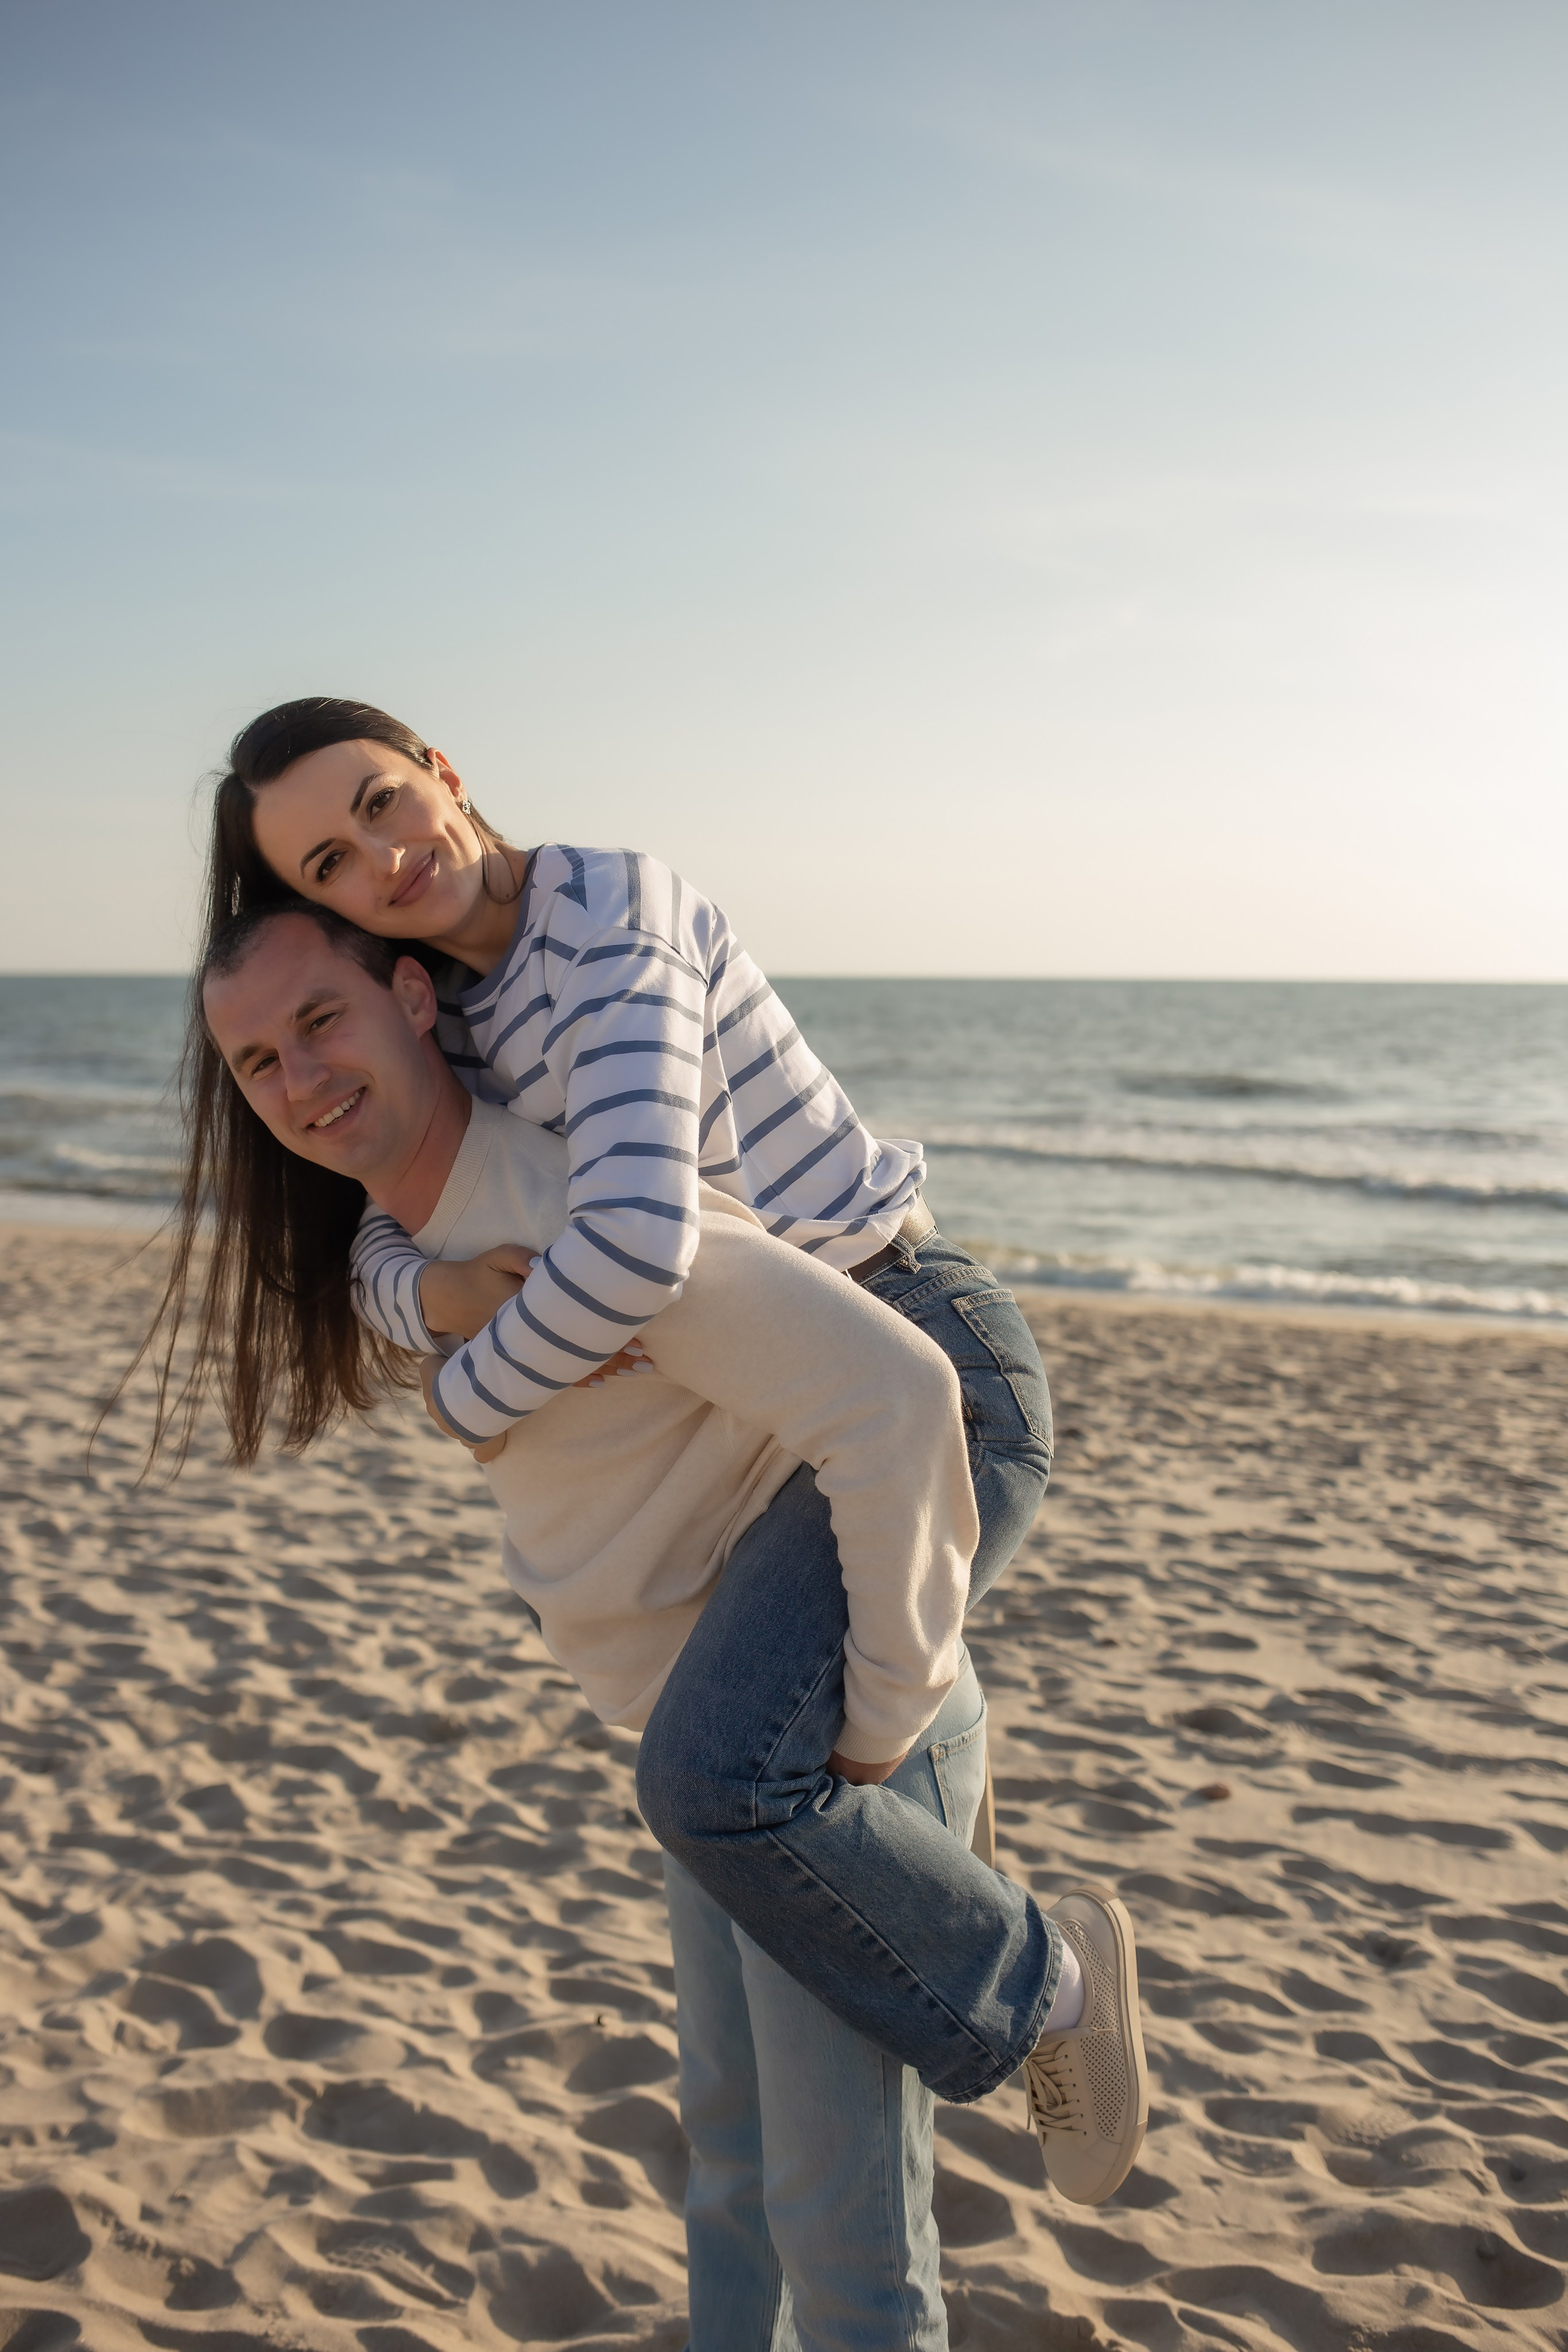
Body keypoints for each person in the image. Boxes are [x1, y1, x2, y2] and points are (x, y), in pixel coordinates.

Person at [169, 899, 1144, 2344]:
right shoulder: (409, 1242)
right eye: (257, 1064)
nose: (298, 1081)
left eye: (322, 1023)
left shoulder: (587, 1220)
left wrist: (875, 1721)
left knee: (842, 2224)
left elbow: (902, 1400)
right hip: (708, 1729)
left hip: (823, 1743)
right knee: (732, 2171)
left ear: (416, 1001)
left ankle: (1041, 1977)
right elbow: (392, 1298)